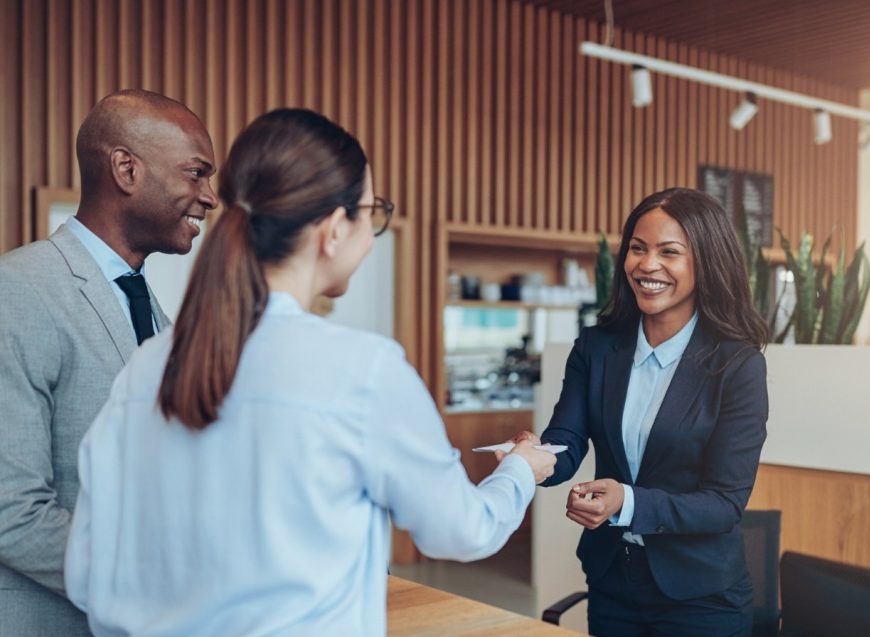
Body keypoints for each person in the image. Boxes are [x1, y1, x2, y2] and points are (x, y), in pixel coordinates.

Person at [64, 108, 556, 636]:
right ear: (333, 229)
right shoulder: (363, 371)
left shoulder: (146, 367)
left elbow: (88, 573)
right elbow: (462, 530)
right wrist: (522, 470)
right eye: (371, 212)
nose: (371, 234)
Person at [0, 89, 218, 636]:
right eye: (196, 173)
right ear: (126, 168)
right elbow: (10, 511)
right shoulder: (18, 290)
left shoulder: (153, 312)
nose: (209, 197)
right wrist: (161, 581)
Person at [521, 187, 769, 636]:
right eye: (638, 248)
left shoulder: (736, 365)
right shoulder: (596, 348)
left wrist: (627, 501)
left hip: (701, 597)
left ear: (705, 262)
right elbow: (568, 439)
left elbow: (724, 504)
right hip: (613, 580)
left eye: (669, 252)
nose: (647, 265)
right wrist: (534, 460)